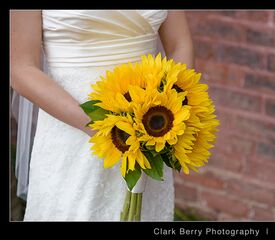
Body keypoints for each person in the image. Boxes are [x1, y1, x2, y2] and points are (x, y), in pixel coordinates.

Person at [10, 10, 194, 221]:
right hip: (73, 136)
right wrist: (101, 127)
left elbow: (180, 44)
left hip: (149, 131)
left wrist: (172, 106)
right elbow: (21, 69)